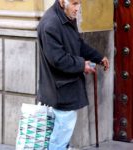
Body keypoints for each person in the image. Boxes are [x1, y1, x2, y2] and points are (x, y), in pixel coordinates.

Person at [37, 0, 109, 149]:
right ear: (63, 2)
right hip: (59, 89)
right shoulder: (51, 23)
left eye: (79, 3)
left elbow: (78, 44)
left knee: (62, 135)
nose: (78, 8)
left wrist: (98, 57)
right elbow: (58, 59)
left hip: (65, 88)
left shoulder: (67, 18)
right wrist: (82, 65)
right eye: (75, 4)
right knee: (60, 138)